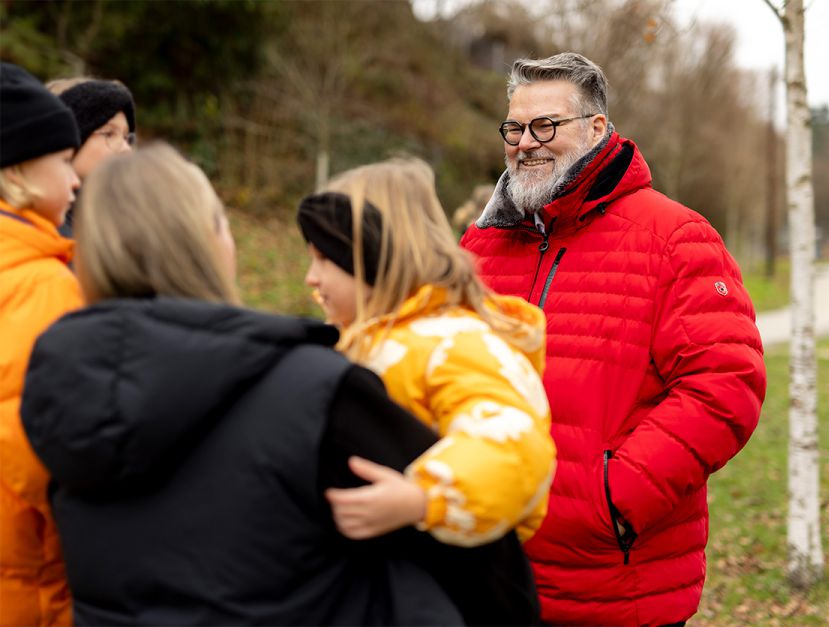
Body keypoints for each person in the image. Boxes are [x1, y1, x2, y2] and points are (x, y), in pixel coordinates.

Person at [19, 142, 535, 626]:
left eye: (325, 258)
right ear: (204, 241)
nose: (310, 278)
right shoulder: (311, 390)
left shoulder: (55, 392)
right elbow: (489, 574)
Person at [459, 52, 767, 626]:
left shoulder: (675, 236)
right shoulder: (481, 244)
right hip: (488, 574)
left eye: (545, 125)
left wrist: (613, 498)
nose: (526, 143)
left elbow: (727, 384)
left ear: (597, 128)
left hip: (613, 584)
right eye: (514, 129)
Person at [296, 157, 556, 551]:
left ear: (376, 255)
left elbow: (516, 445)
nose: (310, 278)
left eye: (325, 259)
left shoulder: (453, 342)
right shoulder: (362, 337)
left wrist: (423, 498)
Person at [0, 61, 82, 627]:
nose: (76, 181)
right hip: (32, 578)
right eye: (66, 161)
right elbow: (40, 449)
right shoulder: (47, 284)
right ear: (20, 168)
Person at [45, 76, 136, 237]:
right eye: (108, 134)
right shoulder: (42, 230)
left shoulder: (124, 220)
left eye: (126, 137)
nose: (126, 149)